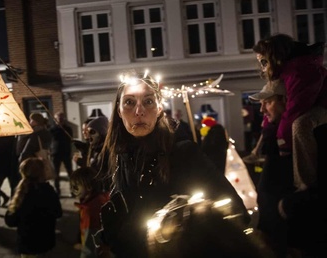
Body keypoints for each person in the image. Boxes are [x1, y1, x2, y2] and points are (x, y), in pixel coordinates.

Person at [93, 71, 251, 257]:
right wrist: (112, 235)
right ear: (119, 111)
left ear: (159, 108)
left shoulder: (183, 153)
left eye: (148, 101)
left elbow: (235, 210)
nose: (139, 111)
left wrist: (181, 226)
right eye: (129, 102)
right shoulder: (121, 156)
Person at [253, 34, 327, 190]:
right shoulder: (287, 71)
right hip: (317, 104)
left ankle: (306, 183)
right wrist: (268, 130)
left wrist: (283, 142)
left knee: (301, 125)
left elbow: (295, 108)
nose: (262, 67)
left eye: (263, 62)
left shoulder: (300, 71)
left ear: (274, 57)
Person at [249, 81, 296, 257]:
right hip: (272, 220)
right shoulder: (275, 130)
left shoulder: (293, 131)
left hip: (287, 225)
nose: (261, 110)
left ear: (285, 100)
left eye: (267, 102)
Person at [4, 157, 63, 257]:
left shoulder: (22, 194)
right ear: (42, 173)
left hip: (27, 245)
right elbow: (58, 213)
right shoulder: (48, 191)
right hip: (45, 242)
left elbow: (10, 220)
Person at [70, 167, 110, 258]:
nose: (72, 189)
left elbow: (90, 243)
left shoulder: (89, 211)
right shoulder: (101, 199)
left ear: (89, 187)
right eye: (71, 186)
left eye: (76, 186)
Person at [49, 111, 73, 196]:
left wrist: (63, 128)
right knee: (56, 173)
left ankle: (72, 190)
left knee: (70, 173)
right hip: (55, 153)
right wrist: (58, 127)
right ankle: (57, 190)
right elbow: (52, 138)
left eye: (62, 118)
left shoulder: (68, 128)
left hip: (66, 152)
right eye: (59, 118)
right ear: (55, 119)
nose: (60, 119)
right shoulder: (52, 129)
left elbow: (70, 138)